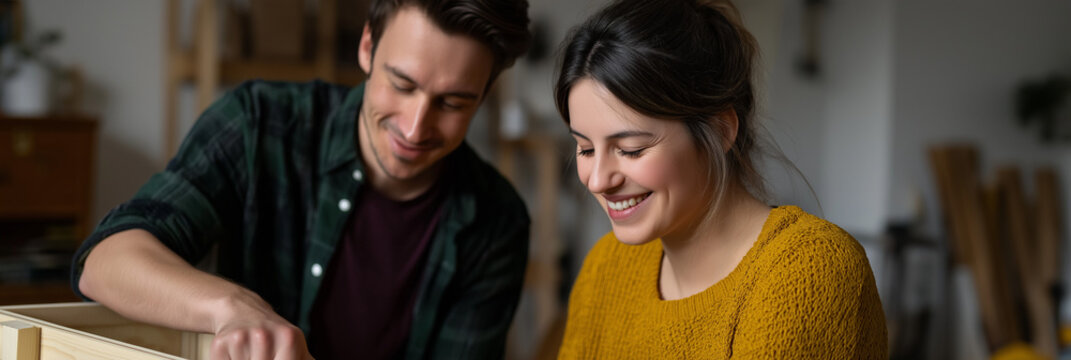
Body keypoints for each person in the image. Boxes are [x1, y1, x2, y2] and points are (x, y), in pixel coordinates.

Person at [72, 1, 531, 359]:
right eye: (402, 85)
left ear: (483, 95)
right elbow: (105, 261)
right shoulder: (259, 123)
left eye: (452, 104)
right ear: (368, 46)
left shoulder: (497, 220)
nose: (414, 128)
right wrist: (233, 309)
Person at [553, 0, 887, 358]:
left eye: (631, 149)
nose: (598, 180)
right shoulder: (607, 267)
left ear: (720, 130)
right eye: (585, 149)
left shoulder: (810, 272)